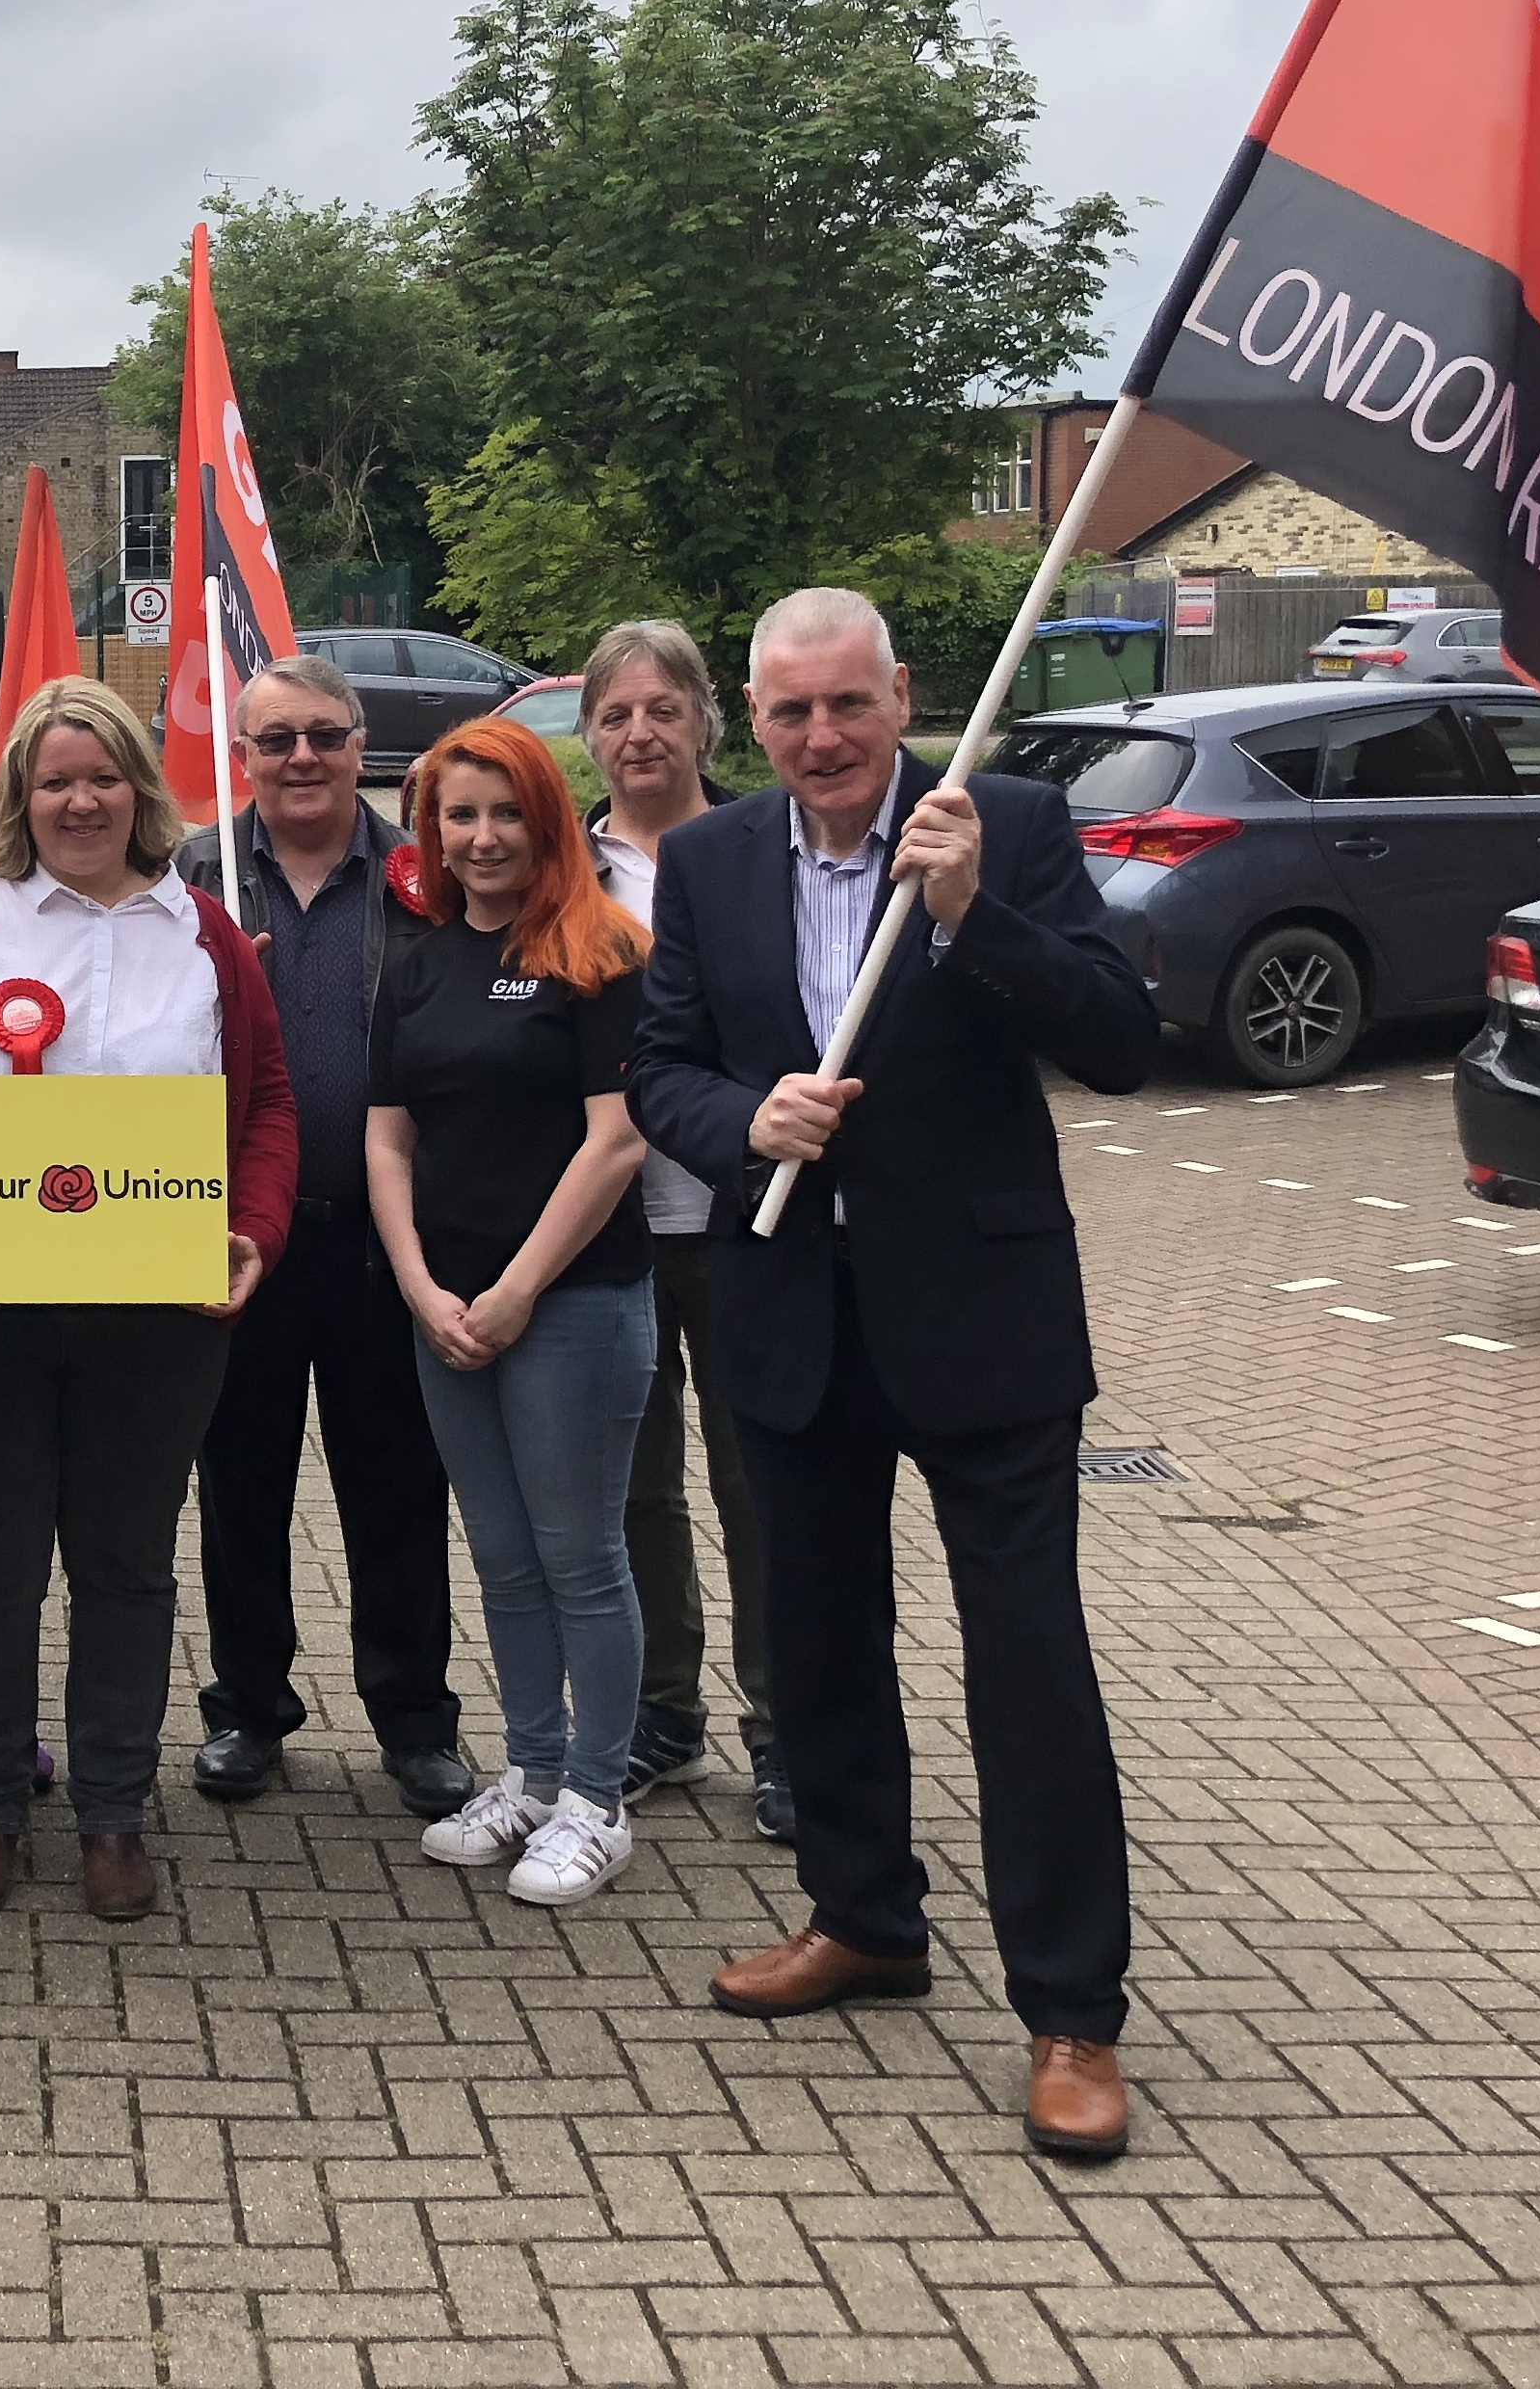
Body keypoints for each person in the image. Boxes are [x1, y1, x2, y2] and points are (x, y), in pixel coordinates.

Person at [628, 588, 1159, 2164]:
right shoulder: (713, 859)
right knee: (818, 1633)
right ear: (752, 716)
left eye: (845, 705)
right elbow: (662, 1063)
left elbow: (1121, 1034)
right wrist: (743, 1122)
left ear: (899, 692)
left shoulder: (1000, 821)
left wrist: (970, 916)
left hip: (980, 1315)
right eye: (787, 712)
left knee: (1028, 1663)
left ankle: (1070, 2007)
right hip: (789, 1300)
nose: (819, 739)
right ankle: (863, 1914)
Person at [0, 677, 294, 1924]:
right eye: (55, 780)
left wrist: (251, 1231)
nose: (80, 799)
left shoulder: (203, 935)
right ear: (20, 797)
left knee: (126, 1565)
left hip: (155, 1317)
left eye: (103, 777)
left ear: (139, 788)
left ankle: (111, 1811)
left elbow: (264, 1110)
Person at [170, 653, 472, 1823]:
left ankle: (416, 1719)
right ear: (240, 758)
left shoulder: (420, 874)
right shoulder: (192, 877)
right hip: (238, 1236)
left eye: (326, 736)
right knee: (240, 1483)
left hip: (382, 1243)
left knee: (397, 1490)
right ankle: (248, 1707)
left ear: (363, 745)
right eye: (277, 739)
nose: (303, 758)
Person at [366, 716, 656, 1909]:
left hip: (572, 1307)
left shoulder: (602, 951)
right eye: (456, 814)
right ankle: (531, 1771)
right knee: (501, 1558)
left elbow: (618, 1138)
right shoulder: (421, 961)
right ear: (430, 828)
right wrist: (422, 1285)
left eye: (503, 812)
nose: (481, 838)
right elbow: (388, 1139)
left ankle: (598, 1796)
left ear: (546, 816)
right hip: (449, 1314)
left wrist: (518, 1288)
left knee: (580, 1558)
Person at [578, 621, 784, 1839]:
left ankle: (786, 1728)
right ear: (589, 734)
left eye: (662, 709)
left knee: (758, 1480)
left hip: (748, 1218)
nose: (640, 733)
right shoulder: (569, 869)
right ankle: (665, 1711)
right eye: (614, 715)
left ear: (707, 720)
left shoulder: (765, 845)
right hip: (611, 1225)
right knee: (632, 1489)